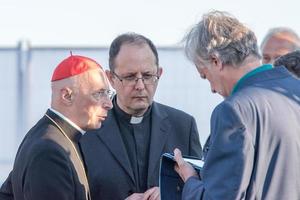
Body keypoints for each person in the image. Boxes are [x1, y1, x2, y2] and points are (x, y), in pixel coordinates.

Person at [173, 11, 300, 199]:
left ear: (216, 61)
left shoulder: (234, 111)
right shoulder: (294, 91)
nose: (212, 89)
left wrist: (190, 181)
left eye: (205, 76)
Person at [79, 33, 203, 200]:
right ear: (110, 78)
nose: (140, 86)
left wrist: (171, 195)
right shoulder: (87, 130)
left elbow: (201, 191)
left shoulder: (183, 126)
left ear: (159, 74)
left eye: (147, 76)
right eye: (130, 77)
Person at [0, 55, 113, 200]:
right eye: (99, 93)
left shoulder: (48, 136)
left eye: (108, 93)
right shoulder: (50, 151)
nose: (109, 104)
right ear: (67, 96)